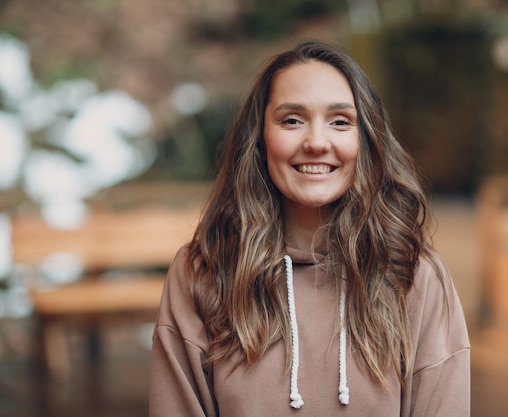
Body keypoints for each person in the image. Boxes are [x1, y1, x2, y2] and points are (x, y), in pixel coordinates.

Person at [149, 39, 470, 417]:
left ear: (366, 141)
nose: (317, 142)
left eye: (339, 122)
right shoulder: (201, 273)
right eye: (292, 120)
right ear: (259, 141)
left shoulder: (414, 276)